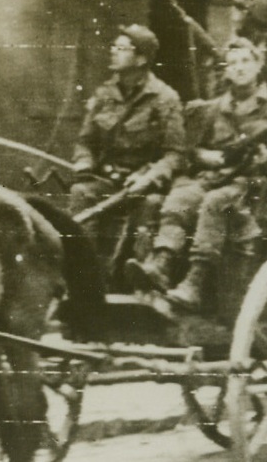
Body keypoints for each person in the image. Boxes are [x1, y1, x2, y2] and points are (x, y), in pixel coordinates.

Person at [126, 38, 267, 308]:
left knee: (215, 203)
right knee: (181, 198)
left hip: (252, 187)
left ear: (258, 66)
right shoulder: (211, 109)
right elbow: (191, 151)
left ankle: (195, 282)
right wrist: (205, 157)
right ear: (226, 71)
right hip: (214, 177)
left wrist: (264, 158)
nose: (239, 68)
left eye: (245, 61)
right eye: (232, 63)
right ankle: (161, 263)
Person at [70, 25, 186, 281]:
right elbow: (85, 141)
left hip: (144, 187)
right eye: (114, 46)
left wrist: (150, 177)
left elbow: (175, 154)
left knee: (151, 206)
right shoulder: (104, 96)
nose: (113, 52)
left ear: (141, 58)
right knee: (81, 194)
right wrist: (84, 162)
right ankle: (80, 275)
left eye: (121, 48)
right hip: (107, 182)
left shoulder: (165, 98)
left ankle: (141, 280)